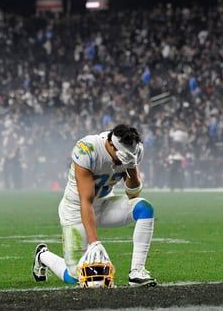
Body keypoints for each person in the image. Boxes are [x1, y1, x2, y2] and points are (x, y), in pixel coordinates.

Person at [32, 123, 156, 288]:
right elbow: (86, 200)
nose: (123, 159)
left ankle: (137, 273)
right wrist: (94, 242)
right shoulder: (88, 150)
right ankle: (43, 256)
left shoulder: (135, 150)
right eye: (122, 155)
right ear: (111, 145)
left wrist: (132, 167)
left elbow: (133, 194)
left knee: (144, 208)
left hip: (104, 205)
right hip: (76, 210)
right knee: (78, 277)